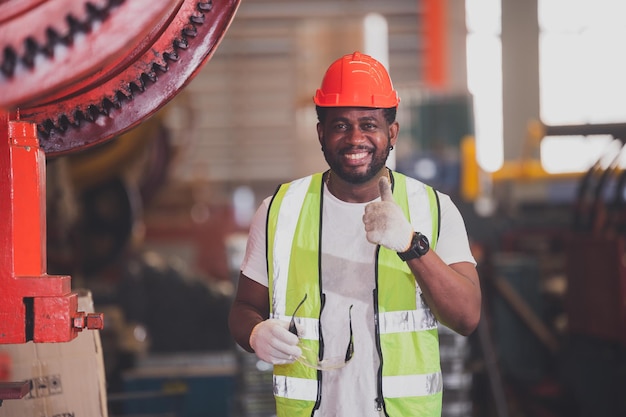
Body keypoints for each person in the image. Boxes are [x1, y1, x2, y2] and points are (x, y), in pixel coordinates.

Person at [228, 51, 481, 417]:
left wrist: (411, 245)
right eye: (341, 125)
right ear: (321, 132)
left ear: (391, 132)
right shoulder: (279, 210)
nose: (355, 138)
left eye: (369, 124)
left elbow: (467, 317)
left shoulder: (433, 208)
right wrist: (255, 333)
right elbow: (243, 308)